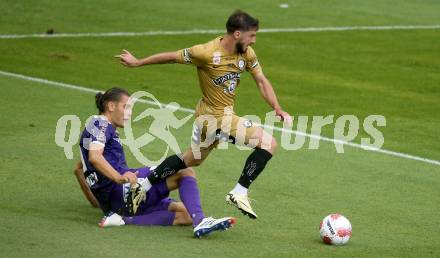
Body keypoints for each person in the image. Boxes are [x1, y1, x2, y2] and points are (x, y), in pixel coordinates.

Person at [115, 10, 291, 219]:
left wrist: (277, 107)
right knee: (268, 143)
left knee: (192, 158)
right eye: (251, 35)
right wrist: (138, 62)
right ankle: (240, 191)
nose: (254, 41)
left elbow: (261, 80)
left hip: (214, 117)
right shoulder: (205, 52)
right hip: (215, 118)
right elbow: (172, 57)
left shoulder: (246, 54)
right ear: (237, 34)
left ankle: (143, 186)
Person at [77, 87, 235, 237]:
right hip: (124, 190)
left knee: (186, 214)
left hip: (119, 199)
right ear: (111, 106)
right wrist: (118, 177)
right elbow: (95, 157)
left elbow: (80, 169)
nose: (129, 113)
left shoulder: (97, 130)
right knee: (184, 172)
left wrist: (100, 203)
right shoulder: (99, 123)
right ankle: (201, 222)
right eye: (126, 107)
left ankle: (121, 219)